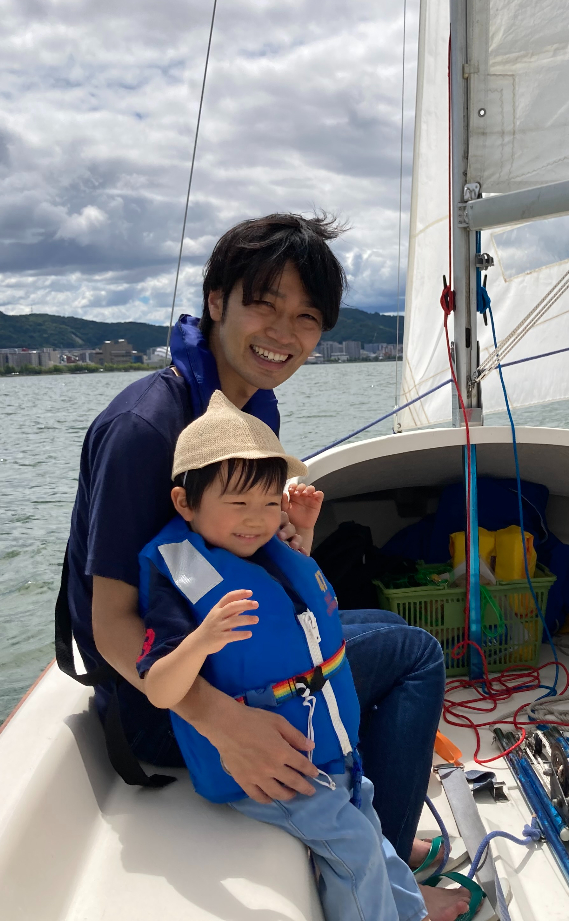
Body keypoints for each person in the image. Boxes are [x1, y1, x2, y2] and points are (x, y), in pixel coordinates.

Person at [60, 213, 466, 919]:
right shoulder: (144, 430)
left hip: (227, 660)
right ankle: (388, 874)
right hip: (165, 703)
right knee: (415, 656)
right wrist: (222, 723)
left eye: (307, 317)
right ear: (216, 301)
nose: (284, 333)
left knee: (379, 627)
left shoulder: (251, 409)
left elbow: (246, 557)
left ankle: (378, 849)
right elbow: (110, 624)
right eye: (265, 305)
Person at [138, 391, 428, 921]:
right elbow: (159, 687)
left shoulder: (264, 548)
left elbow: (297, 613)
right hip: (270, 773)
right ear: (185, 503)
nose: (256, 520)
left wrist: (304, 530)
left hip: (324, 752)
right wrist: (201, 640)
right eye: (238, 504)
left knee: (376, 842)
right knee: (357, 851)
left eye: (270, 504)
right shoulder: (178, 574)